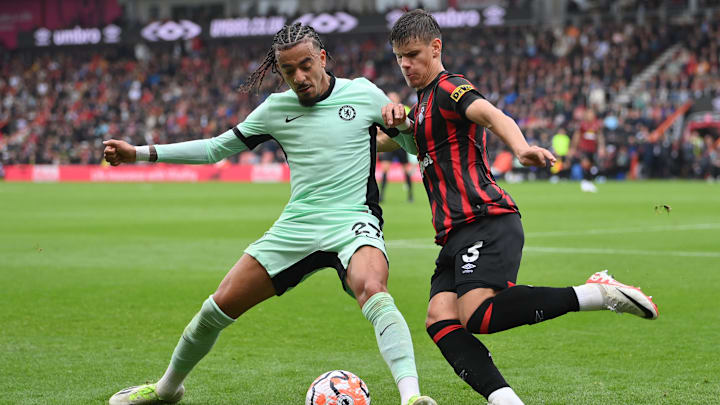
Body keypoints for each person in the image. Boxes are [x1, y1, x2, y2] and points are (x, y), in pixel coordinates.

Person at [104, 23, 435, 405]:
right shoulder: (276, 109)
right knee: (217, 306)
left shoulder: (362, 93)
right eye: (288, 70)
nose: (299, 77)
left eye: (306, 65)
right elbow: (215, 149)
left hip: (353, 222)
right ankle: (166, 390)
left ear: (323, 58)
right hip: (297, 226)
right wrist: (139, 153)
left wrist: (405, 123)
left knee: (373, 290)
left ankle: (412, 398)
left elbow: (412, 145)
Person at [378, 10, 658, 405]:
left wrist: (522, 146)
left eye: (413, 53)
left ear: (436, 47)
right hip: (454, 234)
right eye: (399, 57)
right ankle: (506, 401)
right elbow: (384, 140)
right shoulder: (420, 106)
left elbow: (492, 115)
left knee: (476, 313)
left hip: (485, 218)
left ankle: (596, 293)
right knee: (440, 320)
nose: (406, 64)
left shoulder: (448, 88)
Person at [378, 91, 415, 203]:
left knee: (406, 170)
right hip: (389, 143)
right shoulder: (384, 111)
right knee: (385, 169)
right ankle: (381, 196)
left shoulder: (406, 109)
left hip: (401, 144)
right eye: (389, 98)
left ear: (398, 99)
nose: (391, 99)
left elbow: (410, 126)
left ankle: (410, 196)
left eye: (393, 98)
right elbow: (380, 129)